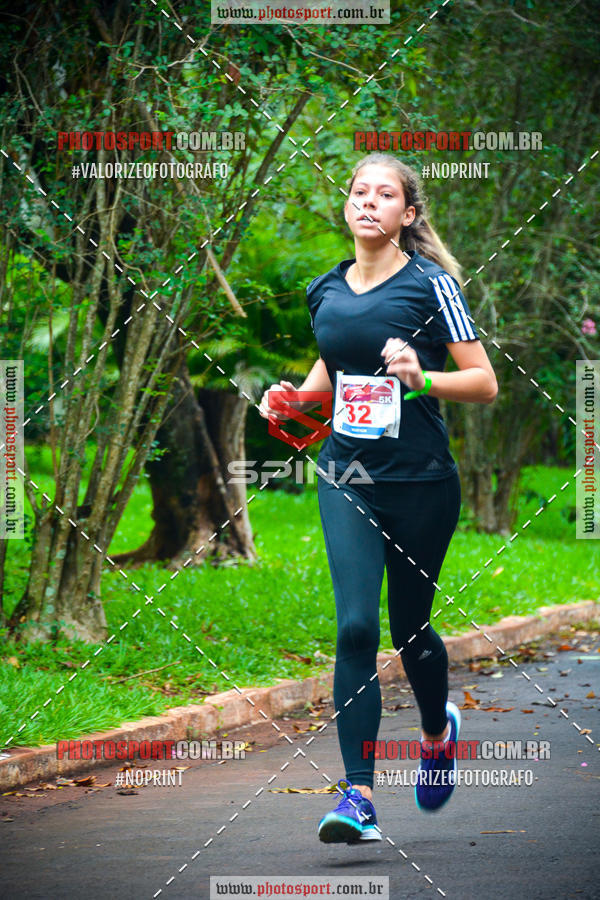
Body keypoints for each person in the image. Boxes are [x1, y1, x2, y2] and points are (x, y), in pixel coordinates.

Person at [259, 152, 498, 843]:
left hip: (422, 482)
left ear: (408, 214)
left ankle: (434, 732)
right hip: (348, 476)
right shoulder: (323, 291)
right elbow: (330, 377)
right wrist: (291, 400)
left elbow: (482, 383)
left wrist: (421, 378)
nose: (368, 201)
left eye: (384, 194)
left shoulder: (432, 285)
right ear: (348, 207)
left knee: (411, 628)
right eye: (359, 191)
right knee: (356, 628)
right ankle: (357, 796)